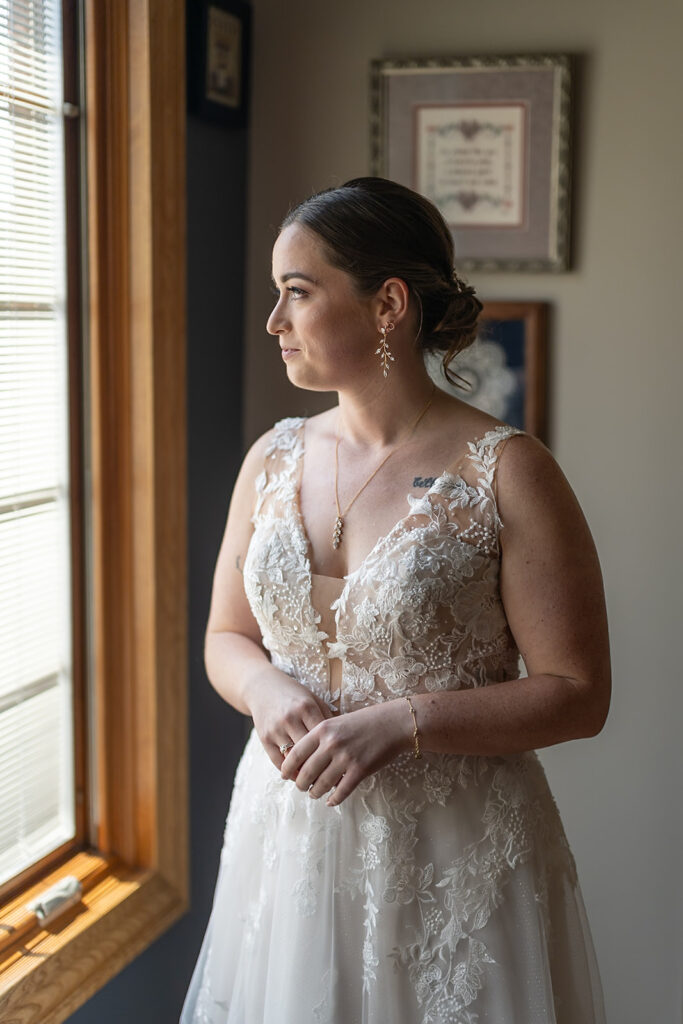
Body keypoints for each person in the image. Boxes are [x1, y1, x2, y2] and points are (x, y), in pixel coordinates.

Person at [180, 176, 610, 1023]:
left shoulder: (507, 471)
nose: (274, 322)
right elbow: (226, 637)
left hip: (453, 857)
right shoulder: (272, 459)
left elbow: (577, 694)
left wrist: (403, 721)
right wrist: (266, 688)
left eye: (296, 294)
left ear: (388, 304)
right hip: (288, 843)